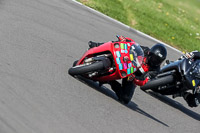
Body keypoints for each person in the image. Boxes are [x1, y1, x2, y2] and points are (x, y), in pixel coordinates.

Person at [88, 36, 167, 104]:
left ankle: (109, 81)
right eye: (154, 58)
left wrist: (135, 79)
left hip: (132, 77)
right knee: (116, 45)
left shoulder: (155, 70)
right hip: (127, 62)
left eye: (157, 61)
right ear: (150, 53)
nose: (154, 61)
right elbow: (133, 45)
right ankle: (97, 45)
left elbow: (144, 81)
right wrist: (125, 40)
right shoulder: (145, 50)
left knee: (125, 98)